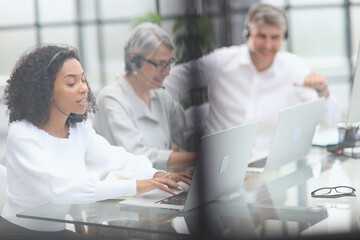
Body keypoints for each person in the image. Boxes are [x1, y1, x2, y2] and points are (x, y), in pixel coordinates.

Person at [0, 44, 192, 239]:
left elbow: (114, 159)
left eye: (83, 79)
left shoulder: (78, 129)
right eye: (71, 83)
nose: (84, 88)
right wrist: (138, 185)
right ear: (45, 91)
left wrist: (158, 175)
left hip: (56, 231)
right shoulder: (22, 134)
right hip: (18, 232)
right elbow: (61, 189)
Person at [164, 3, 341, 151]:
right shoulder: (222, 61)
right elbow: (167, 80)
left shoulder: (293, 67)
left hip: (270, 164)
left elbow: (330, 120)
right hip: (220, 161)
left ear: (283, 37)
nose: (268, 44)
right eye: (261, 36)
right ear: (248, 34)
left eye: (275, 37)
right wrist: (170, 129)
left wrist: (323, 92)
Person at [92, 22, 198, 171]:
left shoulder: (160, 94)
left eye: (169, 63)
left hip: (163, 187)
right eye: (160, 64)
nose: (167, 71)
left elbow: (186, 132)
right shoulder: (111, 99)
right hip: (130, 192)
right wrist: (196, 157)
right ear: (134, 61)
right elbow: (136, 156)